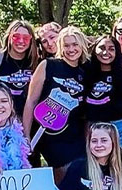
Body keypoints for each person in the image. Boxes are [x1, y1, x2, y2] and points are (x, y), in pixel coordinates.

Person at [23, 26, 88, 179]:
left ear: (82, 46)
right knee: (64, 177)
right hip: (47, 135)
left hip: (74, 136)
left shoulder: (86, 72)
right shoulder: (48, 65)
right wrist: (25, 135)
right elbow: (31, 101)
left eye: (75, 44)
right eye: (66, 45)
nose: (71, 49)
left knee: (78, 180)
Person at [84, 35, 122, 148]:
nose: (106, 52)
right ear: (95, 50)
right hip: (93, 130)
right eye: (102, 48)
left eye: (111, 49)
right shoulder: (85, 73)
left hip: (121, 130)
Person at [0, 20, 39, 116]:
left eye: (26, 38)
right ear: (9, 37)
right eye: (16, 37)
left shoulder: (37, 63)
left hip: (27, 118)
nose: (21, 41)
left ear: (31, 40)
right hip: (0, 119)